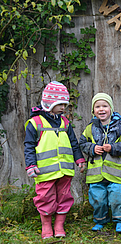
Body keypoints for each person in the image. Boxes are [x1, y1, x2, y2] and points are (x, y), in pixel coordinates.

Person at [24, 81, 86, 239]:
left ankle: (59, 225)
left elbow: (73, 143)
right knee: (45, 198)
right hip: (44, 172)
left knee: (64, 197)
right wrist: (31, 165)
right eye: (60, 104)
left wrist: (79, 160)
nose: (63, 108)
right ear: (49, 103)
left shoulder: (65, 122)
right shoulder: (35, 123)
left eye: (65, 104)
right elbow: (29, 146)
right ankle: (46, 226)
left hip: (64, 171)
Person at [79, 93, 121, 233]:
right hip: (95, 173)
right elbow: (82, 143)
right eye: (97, 106)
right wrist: (92, 148)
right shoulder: (90, 127)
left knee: (117, 196)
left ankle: (120, 220)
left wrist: (113, 148)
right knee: (97, 197)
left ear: (111, 108)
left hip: (115, 172)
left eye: (105, 106)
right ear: (93, 110)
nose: (101, 109)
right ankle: (100, 220)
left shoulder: (120, 126)